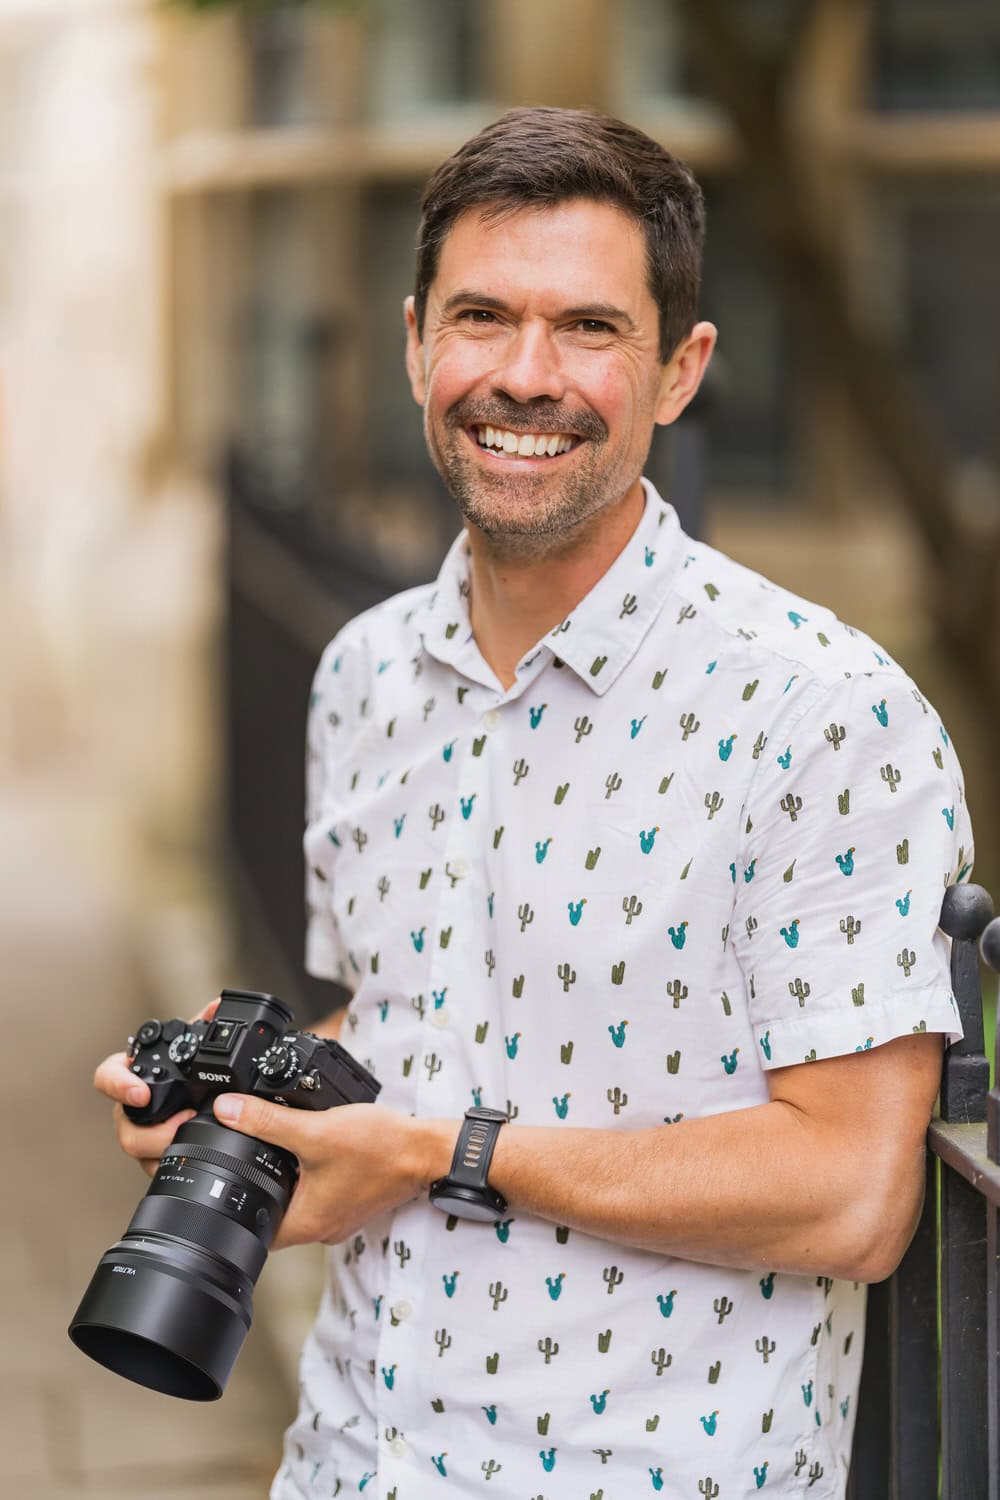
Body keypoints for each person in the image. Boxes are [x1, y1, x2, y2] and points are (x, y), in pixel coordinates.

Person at [96, 108, 973, 1498]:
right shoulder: (365, 671)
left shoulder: (826, 714)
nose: (524, 376)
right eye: (484, 317)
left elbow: (856, 1197)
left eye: (588, 329)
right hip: (345, 1460)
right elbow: (412, 1011)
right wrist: (254, 1096)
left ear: (679, 371)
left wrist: (448, 1153)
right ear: (413, 344)